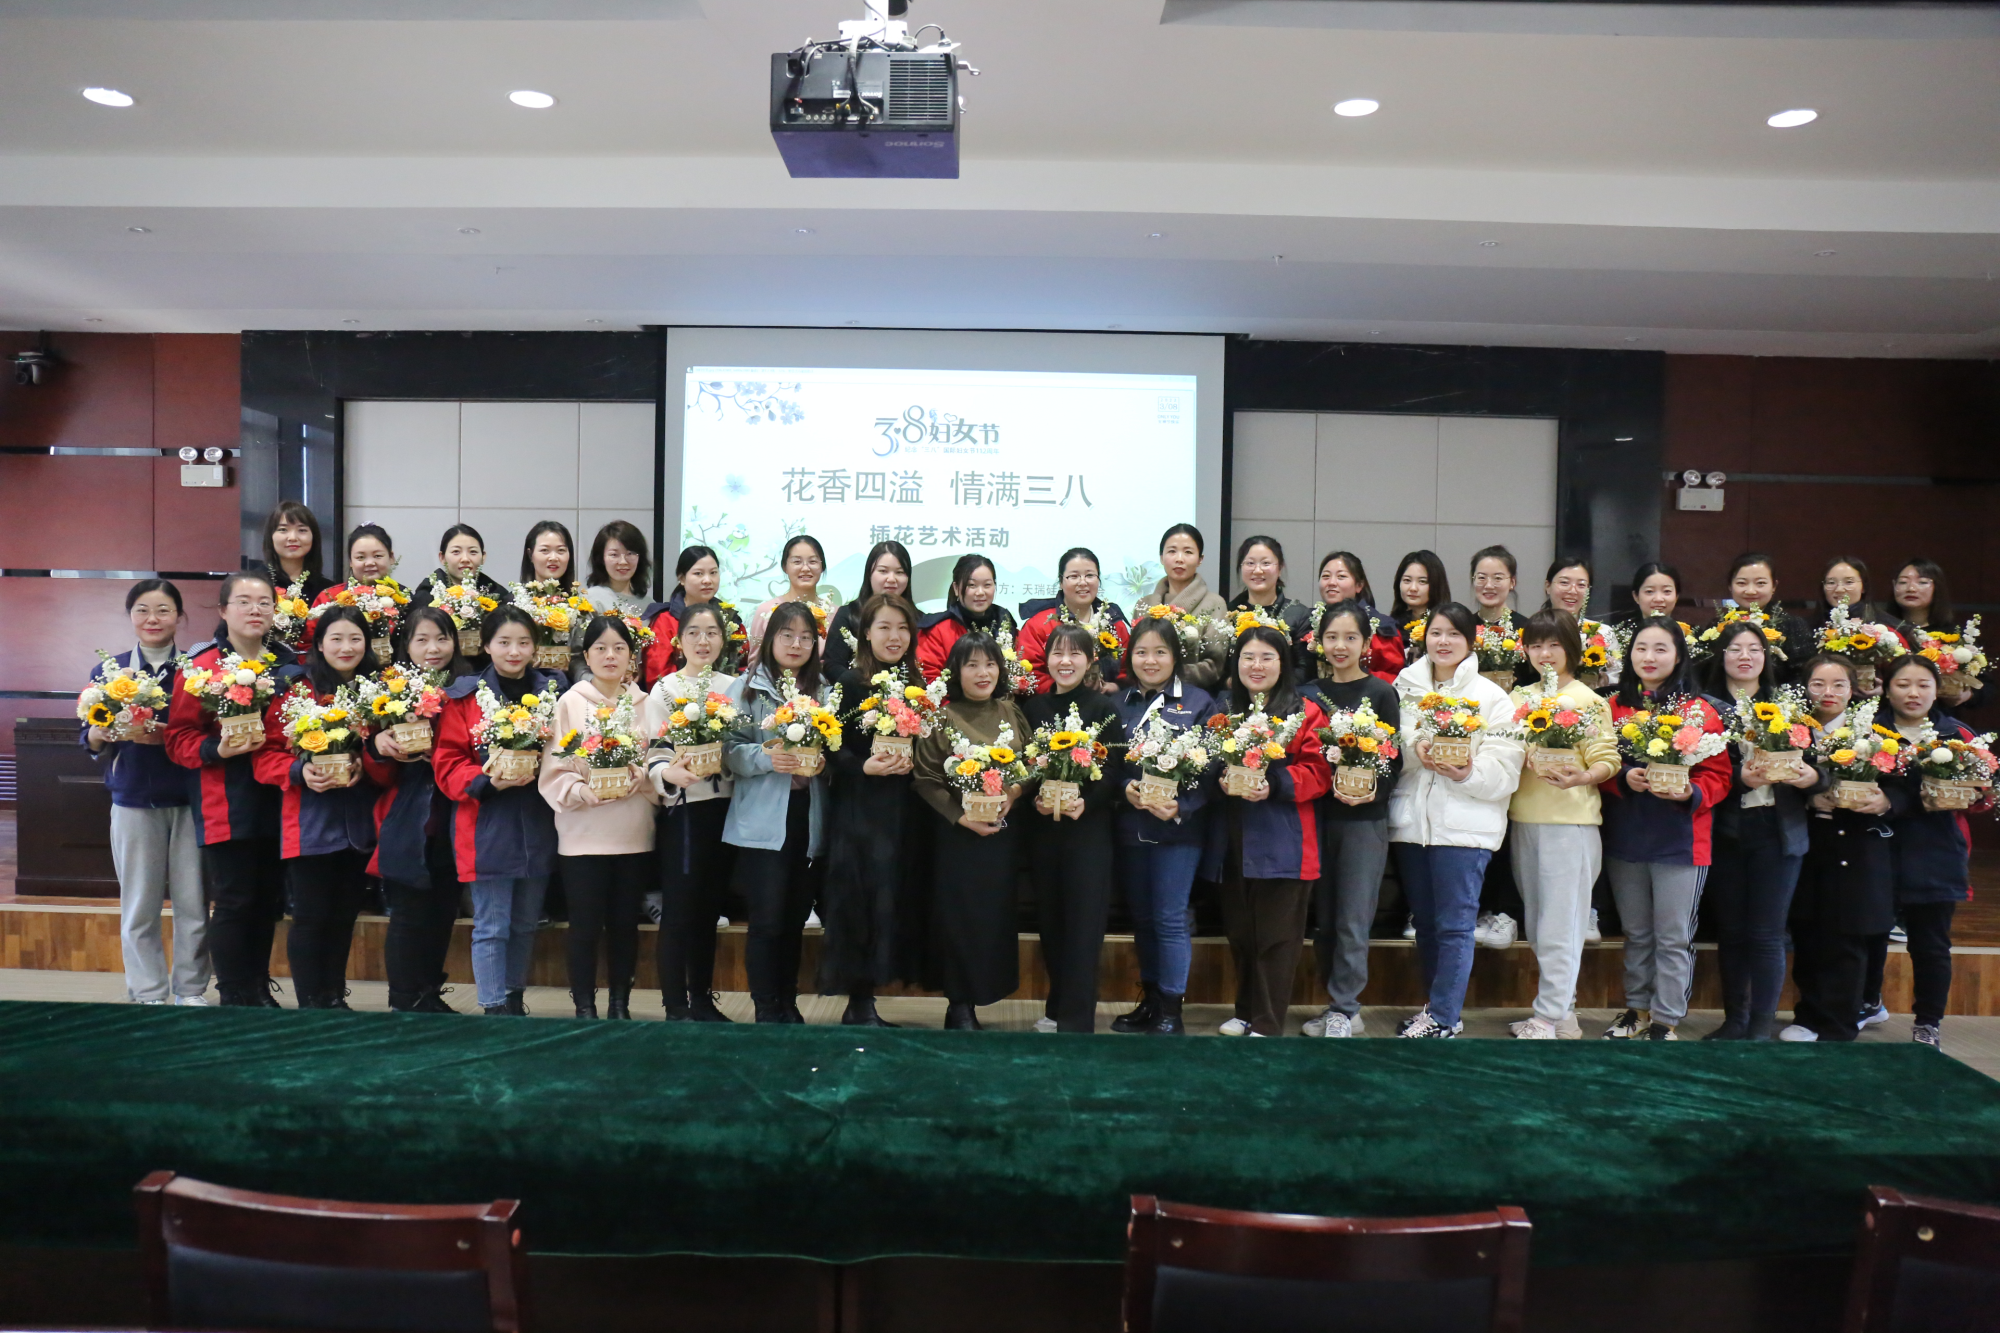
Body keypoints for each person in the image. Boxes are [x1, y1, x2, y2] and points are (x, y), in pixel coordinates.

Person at [1387, 602, 1525, 1038]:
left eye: (1453, 634)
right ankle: (1436, 1011)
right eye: (1436, 633)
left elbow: (1505, 768)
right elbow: (1387, 745)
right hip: (1412, 825)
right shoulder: (1404, 686)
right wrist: (1416, 749)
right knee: (1426, 926)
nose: (1443, 642)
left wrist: (1466, 771)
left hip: (1466, 829)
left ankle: (1444, 1016)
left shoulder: (1492, 697)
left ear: (1470, 641)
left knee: (1455, 926)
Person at [165, 570, 301, 1007]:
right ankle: (233, 992)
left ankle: (257, 986)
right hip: (224, 798)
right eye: (243, 602)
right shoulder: (201, 667)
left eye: (264, 603)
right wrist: (216, 749)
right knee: (235, 899)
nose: (255, 610)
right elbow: (178, 738)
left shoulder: (290, 664)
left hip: (280, 796)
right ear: (223, 610)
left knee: (268, 900)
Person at [253, 605, 393, 1009]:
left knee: (344, 916)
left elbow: (388, 761)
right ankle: (312, 1003)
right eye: (336, 639)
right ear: (318, 644)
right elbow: (264, 758)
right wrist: (300, 771)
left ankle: (334, 998)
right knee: (312, 917)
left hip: (359, 821)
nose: (346, 647)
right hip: (309, 822)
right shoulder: (296, 690)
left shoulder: (379, 693)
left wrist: (366, 762)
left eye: (355, 639)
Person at [1598, 617, 1731, 1041]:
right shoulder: (1613, 707)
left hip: (1682, 841)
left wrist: (1690, 791)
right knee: (1636, 933)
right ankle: (1636, 1010)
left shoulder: (1700, 711)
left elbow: (1720, 777)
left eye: (1660, 649)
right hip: (1627, 837)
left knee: (1673, 936)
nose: (1649, 657)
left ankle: (1666, 1019)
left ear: (1678, 656)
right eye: (1641, 648)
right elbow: (1596, 764)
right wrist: (1623, 778)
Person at [430, 606, 564, 1016]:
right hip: (485, 822)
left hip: (537, 820)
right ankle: (492, 1008)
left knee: (524, 923)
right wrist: (487, 782)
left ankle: (513, 1000)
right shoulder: (465, 696)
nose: (514, 651)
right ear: (486, 645)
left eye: (523, 642)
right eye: (504, 642)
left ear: (535, 647)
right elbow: (447, 763)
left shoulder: (554, 693)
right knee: (492, 926)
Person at [84, 579, 209, 1006]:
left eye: (163, 610)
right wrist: (99, 734)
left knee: (194, 903)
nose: (152, 619)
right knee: (139, 905)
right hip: (133, 798)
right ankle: (148, 991)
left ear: (179, 616)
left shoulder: (198, 671)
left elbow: (208, 732)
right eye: (142, 610)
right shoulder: (109, 671)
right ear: (131, 616)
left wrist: (168, 734)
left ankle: (190, 989)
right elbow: (90, 735)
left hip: (190, 797)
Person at [1699, 620, 1826, 1041]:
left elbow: (1822, 769)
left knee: (1767, 933)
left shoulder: (1788, 707)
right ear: (1721, 656)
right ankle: (1734, 1020)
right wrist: (1739, 779)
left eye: (1754, 649)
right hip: (1727, 830)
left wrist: (1813, 778)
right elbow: (1699, 770)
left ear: (1766, 657)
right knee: (1732, 932)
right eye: (1735, 648)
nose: (1745, 656)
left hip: (1778, 830)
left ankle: (1760, 1025)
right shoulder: (1704, 709)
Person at [1205, 625, 1330, 1038]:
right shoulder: (1225, 709)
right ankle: (1245, 1011)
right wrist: (1220, 777)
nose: (1256, 666)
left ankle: (1267, 1022)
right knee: (1241, 933)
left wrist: (1273, 784)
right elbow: (1206, 762)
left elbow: (1319, 772)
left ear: (1283, 663)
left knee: (1277, 939)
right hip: (1233, 839)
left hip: (1285, 839)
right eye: (1248, 658)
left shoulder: (1305, 711)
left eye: (1266, 658)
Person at [819, 593, 932, 1027]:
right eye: (884, 627)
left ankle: (874, 997)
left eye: (902, 628)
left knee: (894, 899)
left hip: (906, 809)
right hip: (861, 810)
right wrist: (863, 766)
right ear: (866, 632)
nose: (894, 636)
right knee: (861, 900)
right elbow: (831, 746)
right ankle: (858, 1003)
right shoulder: (851, 682)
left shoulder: (917, 686)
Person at [1504, 611, 1617, 1040]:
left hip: (1570, 825)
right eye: (1536, 645)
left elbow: (1607, 758)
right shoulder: (1520, 698)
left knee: (1561, 927)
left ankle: (1547, 1017)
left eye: (1554, 644)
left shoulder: (1588, 700)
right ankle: (1563, 1013)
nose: (1545, 654)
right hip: (1524, 819)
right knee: (1538, 926)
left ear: (1571, 648)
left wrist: (1583, 776)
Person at [540, 615, 658, 1019]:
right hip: (582, 833)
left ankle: (620, 1004)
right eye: (601, 648)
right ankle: (585, 1006)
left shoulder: (646, 704)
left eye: (619, 648)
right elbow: (554, 768)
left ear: (631, 656)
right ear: (586, 656)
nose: (610, 656)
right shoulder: (569, 703)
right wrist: (580, 790)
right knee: (585, 925)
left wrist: (643, 774)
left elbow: (661, 759)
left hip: (633, 831)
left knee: (625, 924)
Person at [912, 631, 1031, 1031]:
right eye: (972, 665)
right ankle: (959, 1005)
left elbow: (1031, 765)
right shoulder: (943, 717)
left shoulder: (1011, 711)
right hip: (958, 837)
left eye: (990, 664)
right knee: (959, 919)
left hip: (1002, 836)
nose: (983, 673)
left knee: (993, 918)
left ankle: (985, 995)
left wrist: (1013, 792)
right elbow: (925, 779)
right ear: (956, 672)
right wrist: (960, 817)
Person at [1109, 616, 1221, 1036]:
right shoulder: (1120, 704)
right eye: (1141, 652)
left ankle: (1172, 1011)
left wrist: (1181, 806)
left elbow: (1213, 769)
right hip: (1131, 827)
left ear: (1175, 657)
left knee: (1170, 917)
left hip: (1179, 831)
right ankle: (1151, 1001)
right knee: (1142, 919)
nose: (1150, 660)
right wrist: (1125, 788)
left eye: (1160, 652)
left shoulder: (1198, 701)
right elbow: (1108, 764)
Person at [723, 601, 831, 1024]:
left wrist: (824, 763)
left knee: (794, 917)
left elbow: (835, 748)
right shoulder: (747, 687)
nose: (796, 644)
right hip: (764, 820)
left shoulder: (824, 690)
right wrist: (767, 758)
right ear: (770, 639)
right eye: (787, 635)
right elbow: (728, 751)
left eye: (805, 637)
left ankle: (788, 1001)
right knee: (767, 919)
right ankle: (765, 1006)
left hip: (809, 815)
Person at [1298, 599, 1401, 1040]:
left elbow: (1394, 760)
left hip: (1363, 820)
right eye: (1332, 637)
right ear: (1320, 642)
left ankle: (1346, 1008)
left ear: (1366, 643)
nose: (1340, 646)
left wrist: (1372, 790)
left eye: (1350, 637)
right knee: (1323, 919)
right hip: (1316, 817)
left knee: (1353, 918)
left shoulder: (1381, 692)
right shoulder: (1307, 693)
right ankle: (1334, 1003)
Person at [1019, 622, 1127, 1033]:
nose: (1066, 662)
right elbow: (1026, 768)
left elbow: (1113, 770)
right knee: (1051, 923)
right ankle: (1057, 1006)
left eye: (1075, 653)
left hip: (1088, 833)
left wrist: (1088, 802)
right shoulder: (1034, 709)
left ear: (1090, 661)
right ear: (1046, 659)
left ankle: (1077, 1019)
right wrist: (1034, 798)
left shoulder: (1103, 708)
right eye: (1058, 653)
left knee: (1084, 926)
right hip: (1045, 833)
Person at [1781, 657, 1893, 1043]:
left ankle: (1840, 1024)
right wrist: (1810, 797)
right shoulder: (1789, 732)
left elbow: (1900, 787)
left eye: (1838, 685)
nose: (1827, 693)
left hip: (1857, 847)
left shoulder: (1874, 734)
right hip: (1807, 844)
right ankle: (1808, 1015)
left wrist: (1885, 801)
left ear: (1852, 690)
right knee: (1807, 931)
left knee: (1847, 937)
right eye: (1817, 684)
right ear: (1805, 688)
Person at [368, 606, 470, 1013]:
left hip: (454, 815)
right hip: (408, 817)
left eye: (442, 638)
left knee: (443, 911)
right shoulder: (387, 692)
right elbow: (376, 774)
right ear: (405, 645)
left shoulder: (468, 688)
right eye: (422, 639)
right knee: (408, 913)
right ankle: (402, 999)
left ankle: (428, 992)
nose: (433, 648)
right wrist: (379, 746)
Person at [645, 603, 740, 1022]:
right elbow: (654, 752)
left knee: (710, 909)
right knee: (680, 910)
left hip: (727, 810)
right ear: (679, 641)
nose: (704, 641)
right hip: (685, 811)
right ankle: (675, 1004)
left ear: (723, 640)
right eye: (694, 633)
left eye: (712, 633)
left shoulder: (735, 687)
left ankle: (702, 999)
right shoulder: (664, 690)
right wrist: (669, 773)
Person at [1880, 654, 1976, 1051]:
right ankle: (1864, 1004)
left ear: (1937, 691)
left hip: (1936, 852)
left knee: (1931, 944)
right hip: (1878, 849)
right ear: (1887, 689)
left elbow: (1981, 795)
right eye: (1903, 684)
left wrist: (1976, 795)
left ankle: (1927, 1022)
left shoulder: (1958, 735)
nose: (1913, 693)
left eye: (1923, 685)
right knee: (1867, 936)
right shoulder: (1867, 731)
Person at [1017, 546, 1129, 695]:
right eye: (1074, 576)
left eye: (1090, 575)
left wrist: (1115, 687)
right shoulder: (1039, 625)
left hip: (1106, 703)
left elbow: (1127, 669)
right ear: (1061, 582)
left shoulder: (1114, 622)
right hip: (1053, 703)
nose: (1082, 582)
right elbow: (1030, 673)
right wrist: (1064, 690)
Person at [1131, 523, 1229, 690]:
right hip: (1146, 692)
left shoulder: (1214, 603)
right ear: (1161, 558)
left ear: (1200, 559)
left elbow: (1214, 665)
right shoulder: (1144, 604)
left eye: (1188, 552)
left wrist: (1169, 674)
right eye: (1172, 551)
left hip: (1194, 694)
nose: (1179, 559)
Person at [641, 544, 742, 689]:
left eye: (713, 573)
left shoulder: (730, 618)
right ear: (682, 578)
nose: (707, 580)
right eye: (698, 573)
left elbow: (744, 663)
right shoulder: (666, 620)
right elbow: (658, 674)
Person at [407, 524, 510, 663]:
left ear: (483, 557)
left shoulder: (497, 594)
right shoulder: (426, 596)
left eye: (473, 552)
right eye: (456, 552)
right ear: (442, 557)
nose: (465, 559)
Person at [1891, 558, 1984, 712]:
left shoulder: (1955, 635)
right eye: (1903, 582)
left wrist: (1965, 695)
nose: (1911, 588)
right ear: (1894, 586)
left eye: (1922, 582)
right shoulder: (1883, 630)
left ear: (1937, 587)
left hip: (1940, 716)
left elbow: (1987, 688)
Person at [1304, 552, 1404, 685]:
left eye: (1341, 576)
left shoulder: (1381, 627)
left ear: (1359, 585)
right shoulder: (1307, 621)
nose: (1332, 582)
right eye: (1326, 576)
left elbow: (1396, 677)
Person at [916, 553, 1018, 683]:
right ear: (956, 588)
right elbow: (929, 676)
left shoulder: (1005, 621)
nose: (980, 592)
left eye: (987, 585)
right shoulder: (938, 630)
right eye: (972, 585)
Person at [823, 540, 912, 682]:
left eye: (900, 572)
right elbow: (832, 664)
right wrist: (861, 687)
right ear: (869, 574)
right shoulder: (849, 614)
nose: (891, 579)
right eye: (883, 571)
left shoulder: (919, 619)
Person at [745, 535, 832, 672]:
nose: (805, 568)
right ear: (785, 567)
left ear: (822, 566)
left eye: (813, 561)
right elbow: (755, 662)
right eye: (797, 562)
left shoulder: (836, 613)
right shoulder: (766, 610)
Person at [1720, 552, 1813, 673]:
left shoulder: (1792, 625)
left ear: (1774, 586)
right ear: (1730, 586)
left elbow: (1804, 674)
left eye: (1760, 583)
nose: (1751, 591)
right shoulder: (1719, 625)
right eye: (1742, 583)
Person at [1226, 535, 1312, 647]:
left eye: (1266, 563)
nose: (1257, 570)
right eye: (1250, 563)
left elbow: (1303, 658)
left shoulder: (1298, 614)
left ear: (1280, 568)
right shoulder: (1228, 613)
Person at [260, 501, 334, 605]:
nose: (292, 538)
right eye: (283, 529)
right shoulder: (254, 584)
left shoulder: (328, 591)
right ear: (270, 536)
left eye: (302, 530)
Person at [1390, 550, 1450, 663]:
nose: (1413, 588)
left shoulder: (1449, 625)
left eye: (1422, 582)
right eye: (1407, 580)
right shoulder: (1389, 627)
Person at [585, 520, 652, 619]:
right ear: (601, 558)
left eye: (630, 553)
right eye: (614, 555)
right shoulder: (590, 599)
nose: (623, 562)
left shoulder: (649, 605)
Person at [1468, 546, 1527, 634]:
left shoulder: (1526, 629)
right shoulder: (1463, 627)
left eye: (1498, 578)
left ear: (1512, 582)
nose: (1489, 586)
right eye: (1482, 577)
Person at [1815, 555, 1882, 629]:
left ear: (1863, 586)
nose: (1839, 589)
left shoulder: (1884, 627)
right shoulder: (1809, 627)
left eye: (1849, 582)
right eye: (1831, 582)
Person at [521, 520, 578, 587]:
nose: (553, 558)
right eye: (545, 550)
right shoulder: (517, 594)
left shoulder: (578, 594)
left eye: (561, 550)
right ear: (530, 555)